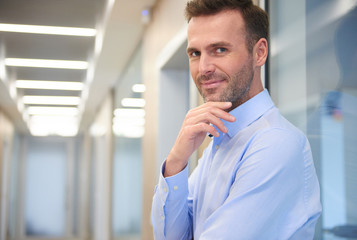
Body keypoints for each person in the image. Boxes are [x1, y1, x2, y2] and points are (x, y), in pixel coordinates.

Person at [151, 0, 322, 239]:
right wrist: (176, 161)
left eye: (220, 50)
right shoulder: (218, 144)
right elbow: (170, 236)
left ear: (259, 53)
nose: (203, 68)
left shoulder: (276, 144)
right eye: (195, 53)